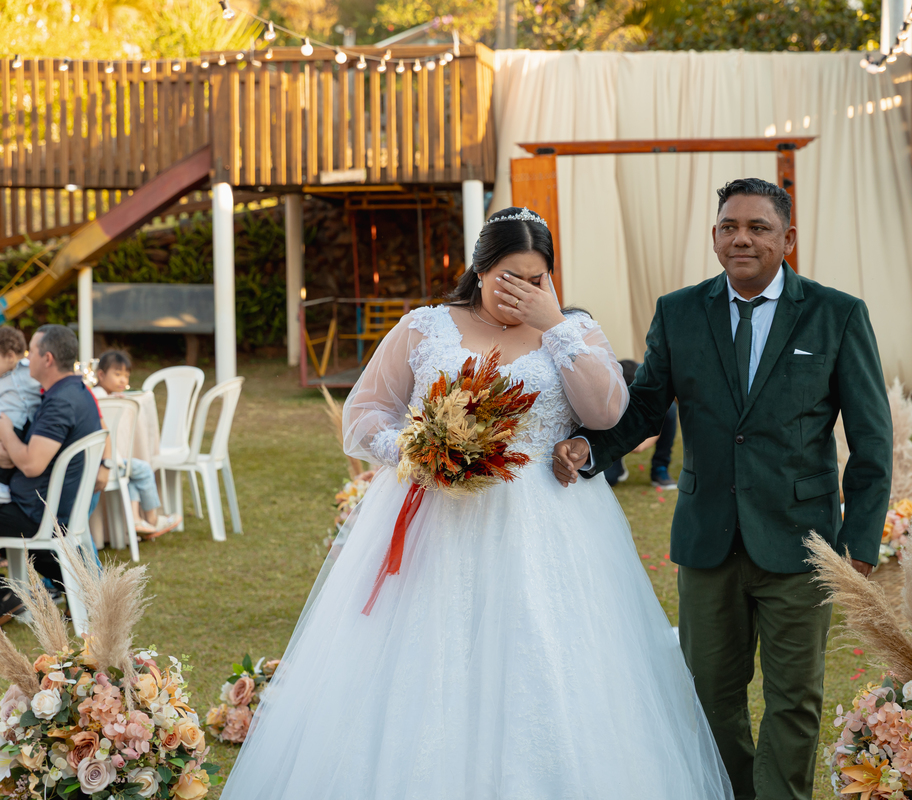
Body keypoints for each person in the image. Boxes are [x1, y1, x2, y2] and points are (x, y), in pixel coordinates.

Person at [220, 208, 733, 800]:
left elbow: (606, 413)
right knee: (428, 659)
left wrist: (553, 324)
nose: (522, 292)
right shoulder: (425, 327)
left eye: (537, 279)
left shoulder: (574, 329)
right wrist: (420, 451)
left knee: (543, 658)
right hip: (438, 521)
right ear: (480, 270)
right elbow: (364, 416)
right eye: (509, 279)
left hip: (547, 522)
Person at [553, 178, 892, 800]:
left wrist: (860, 543)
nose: (742, 239)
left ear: (788, 238)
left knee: (795, 699)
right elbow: (646, 406)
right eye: (729, 227)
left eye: (759, 228)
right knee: (710, 696)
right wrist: (591, 448)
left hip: (803, 544)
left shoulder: (837, 314)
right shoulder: (679, 311)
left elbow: (872, 439)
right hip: (707, 540)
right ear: (714, 237)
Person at [0, 325, 104, 603]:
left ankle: (6, 596)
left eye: (31, 352)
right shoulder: (77, 392)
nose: (26, 358)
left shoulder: (60, 403)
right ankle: (10, 595)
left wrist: (6, 430)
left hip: (38, 513)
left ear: (47, 359)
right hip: (48, 507)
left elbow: (31, 465)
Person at [90, 350, 181, 539]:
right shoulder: (101, 398)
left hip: (109, 461)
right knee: (144, 469)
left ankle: (136, 520)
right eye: (117, 374)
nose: (123, 380)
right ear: (101, 375)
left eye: (126, 375)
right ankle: (153, 519)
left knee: (132, 473)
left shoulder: (102, 395)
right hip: (107, 460)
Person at [603, 358, 678, 489]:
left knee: (670, 409)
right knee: (609, 479)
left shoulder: (653, 382)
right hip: (611, 427)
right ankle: (617, 462)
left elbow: (639, 447)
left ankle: (660, 467)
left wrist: (654, 428)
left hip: (647, 404)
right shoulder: (606, 388)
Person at [0, 326, 43, 505]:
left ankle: (3, 485)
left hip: (23, 424)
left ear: (10, 356)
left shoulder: (30, 369)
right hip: (7, 422)